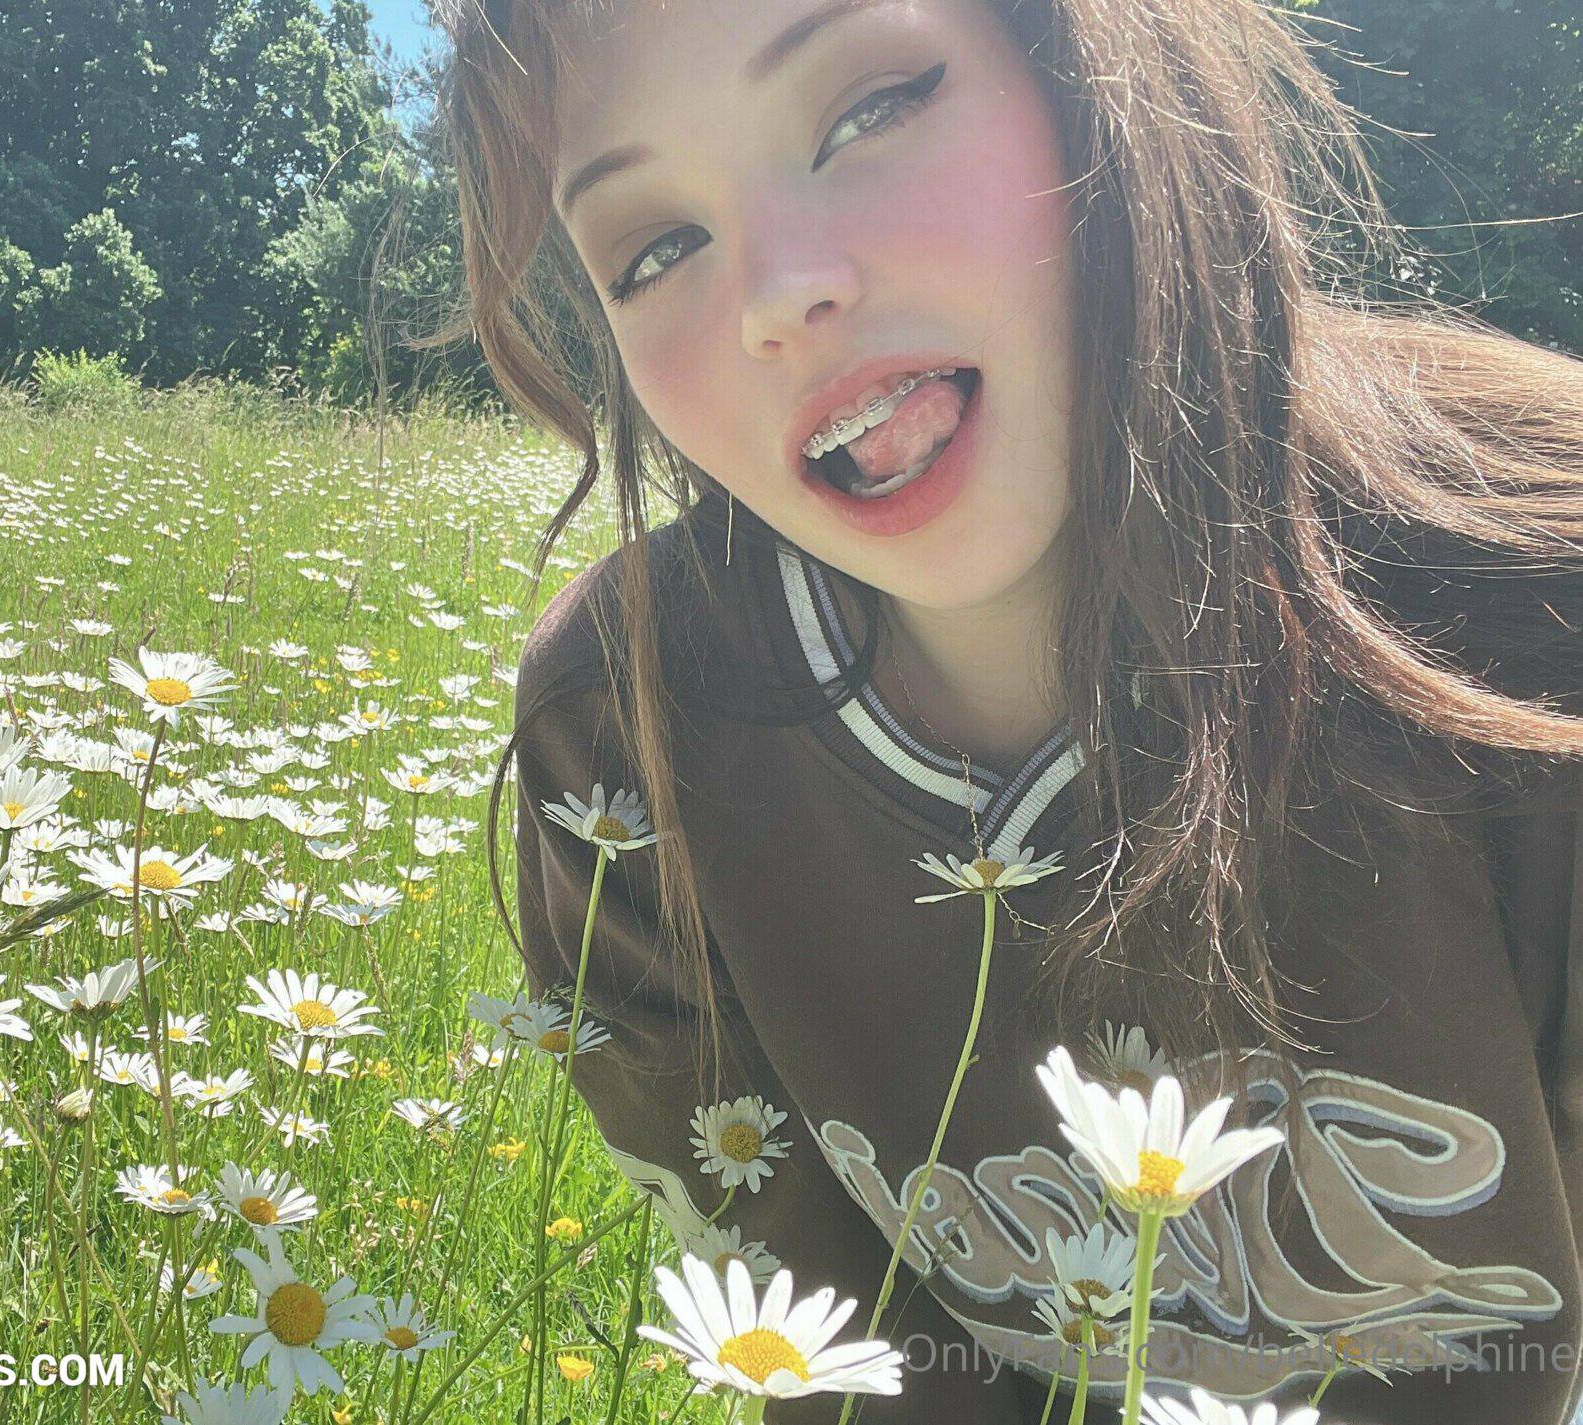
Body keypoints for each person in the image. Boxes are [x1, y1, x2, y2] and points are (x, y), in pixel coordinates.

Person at [422, 0, 1583, 1419]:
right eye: (655, 248)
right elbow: (840, 1367)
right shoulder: (625, 741)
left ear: (1084, 67)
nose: (780, 293)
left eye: (871, 107)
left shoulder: (1540, 580)